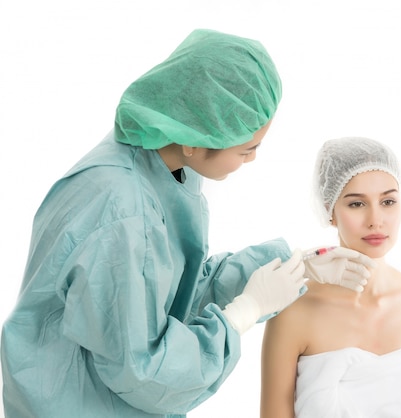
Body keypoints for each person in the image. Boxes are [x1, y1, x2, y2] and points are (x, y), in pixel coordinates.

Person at [0, 30, 373, 418]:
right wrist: (242, 313)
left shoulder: (166, 163)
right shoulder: (120, 210)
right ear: (194, 137)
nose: (251, 160)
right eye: (247, 149)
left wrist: (296, 266)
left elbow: (172, 290)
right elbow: (143, 373)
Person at [260, 137, 401, 418]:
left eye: (388, 201)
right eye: (356, 204)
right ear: (330, 211)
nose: (376, 219)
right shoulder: (294, 311)